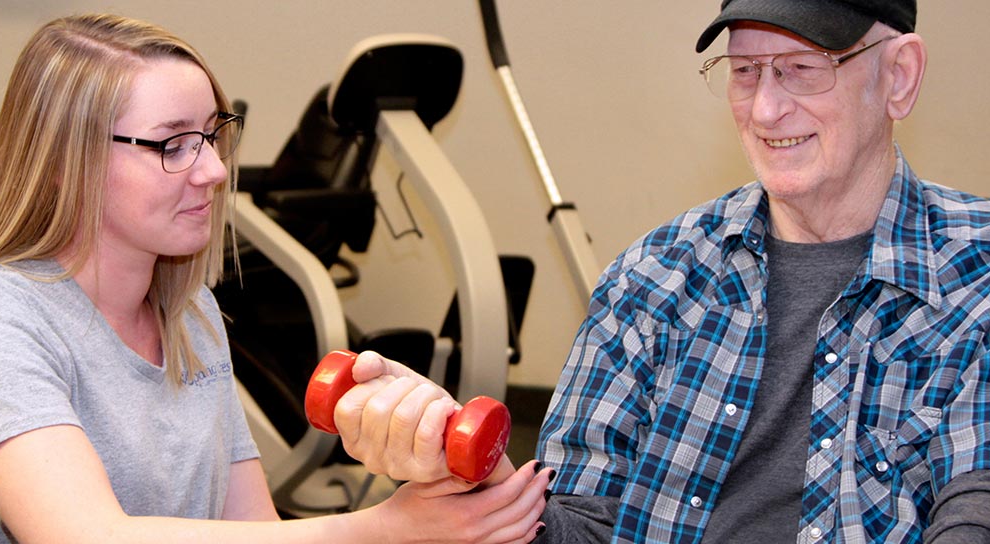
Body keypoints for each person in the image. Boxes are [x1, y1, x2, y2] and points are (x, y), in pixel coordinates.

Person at [335, 0, 990, 542]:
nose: (764, 110)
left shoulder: (975, 271)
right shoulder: (652, 278)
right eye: (744, 72)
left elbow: (975, 504)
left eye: (800, 69)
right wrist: (471, 468)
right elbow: (578, 523)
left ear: (899, 76)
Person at [0, 13, 550, 544]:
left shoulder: (192, 314)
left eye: (213, 135)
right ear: (68, 163)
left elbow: (248, 529)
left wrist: (434, 495)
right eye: (173, 143)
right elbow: (86, 535)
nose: (213, 169)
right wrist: (383, 529)